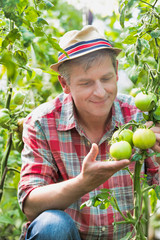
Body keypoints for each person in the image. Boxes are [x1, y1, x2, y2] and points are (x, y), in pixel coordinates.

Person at [18, 25, 160, 240]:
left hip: (128, 236)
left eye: (106, 78)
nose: (100, 92)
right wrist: (84, 182)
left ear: (117, 71)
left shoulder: (139, 117)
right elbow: (30, 204)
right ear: (65, 84)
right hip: (70, 236)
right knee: (51, 225)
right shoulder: (42, 123)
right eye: (86, 83)